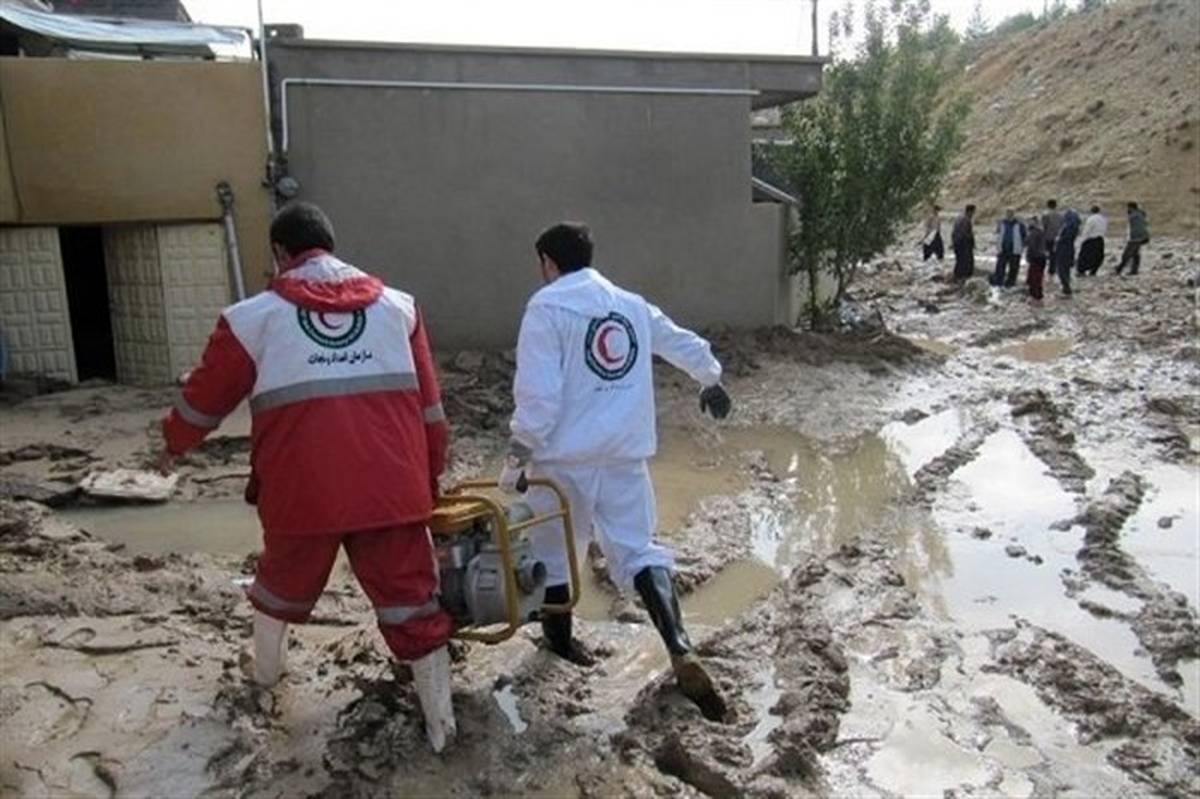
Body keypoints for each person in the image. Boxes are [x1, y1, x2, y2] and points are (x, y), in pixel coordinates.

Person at [157, 202, 457, 752]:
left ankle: (266, 685)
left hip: (302, 496)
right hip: (391, 490)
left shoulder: (250, 320)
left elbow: (204, 401)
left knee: (277, 592)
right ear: (330, 245)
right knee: (415, 607)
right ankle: (443, 730)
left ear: (280, 254)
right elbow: (431, 413)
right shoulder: (400, 310)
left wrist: (172, 445)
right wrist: (428, 483)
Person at [500, 222, 733, 721]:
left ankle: (562, 648)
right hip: (625, 455)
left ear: (546, 261)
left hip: (564, 461)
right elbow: (677, 340)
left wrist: (519, 455)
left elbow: (539, 396)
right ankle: (679, 642)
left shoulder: (546, 307)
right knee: (639, 550)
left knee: (556, 554)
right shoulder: (628, 303)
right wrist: (710, 378)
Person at [991, 208, 1027, 288]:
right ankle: (998, 283)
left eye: (1011, 213)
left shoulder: (1020, 224)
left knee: (1013, 268)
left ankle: (1010, 284)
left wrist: (1022, 247)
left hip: (1015, 249)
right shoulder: (1001, 223)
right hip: (1003, 249)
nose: (1009, 214)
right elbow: (997, 234)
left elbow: (1025, 236)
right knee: (1000, 267)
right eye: (1008, 213)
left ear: (1014, 214)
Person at [1115, 201, 1150, 276]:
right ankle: (1134, 270)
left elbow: (1137, 228)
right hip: (1140, 237)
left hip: (1135, 238)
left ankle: (1119, 269)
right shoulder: (1140, 214)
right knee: (1135, 254)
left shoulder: (1134, 216)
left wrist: (1134, 237)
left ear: (1131, 207)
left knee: (1127, 254)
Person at [1054, 206, 1080, 296]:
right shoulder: (1075, 227)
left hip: (1063, 249)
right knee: (1066, 269)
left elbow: (1064, 238)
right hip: (1070, 249)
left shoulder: (1068, 227)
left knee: (1061, 269)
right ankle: (1066, 287)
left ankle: (1066, 288)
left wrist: (1058, 240)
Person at [1077, 205, 1107, 276]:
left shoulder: (1091, 219)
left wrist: (1082, 240)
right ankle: (1093, 271)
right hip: (1100, 239)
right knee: (1098, 257)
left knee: (1085, 257)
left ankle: (1081, 271)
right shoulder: (1103, 219)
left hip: (1091, 240)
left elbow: (1087, 231)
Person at [1025, 216, 1048, 304]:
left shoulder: (1034, 232)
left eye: (1030, 221)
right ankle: (1038, 296)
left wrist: (1029, 257)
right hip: (1042, 257)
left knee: (1034, 278)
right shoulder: (1040, 231)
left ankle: (1035, 297)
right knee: (1039, 277)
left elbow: (1032, 246)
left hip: (1036, 258)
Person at [951, 204, 976, 281]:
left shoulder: (959, 218)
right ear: (970, 211)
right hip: (963, 244)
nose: (973, 214)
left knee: (959, 261)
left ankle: (957, 277)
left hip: (957, 243)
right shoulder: (966, 220)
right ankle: (963, 278)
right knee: (966, 262)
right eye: (973, 212)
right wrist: (972, 243)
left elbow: (953, 232)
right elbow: (966, 234)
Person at [1041, 199, 1063, 277]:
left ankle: (1042, 269)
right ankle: (1052, 269)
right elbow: (1061, 226)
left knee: (1044, 253)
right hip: (1057, 237)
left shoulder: (1046, 215)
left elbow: (1044, 226)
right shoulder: (1060, 215)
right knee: (1054, 254)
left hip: (1048, 236)